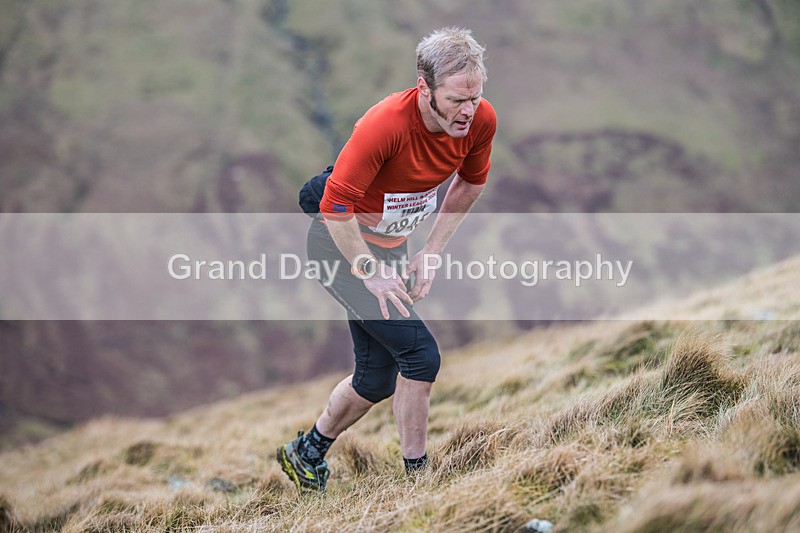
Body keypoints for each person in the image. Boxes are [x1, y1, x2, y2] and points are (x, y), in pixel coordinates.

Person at [277, 27, 496, 491]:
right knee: (421, 356)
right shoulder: (384, 125)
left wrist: (432, 250)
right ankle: (420, 479)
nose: (468, 111)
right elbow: (336, 208)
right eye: (458, 100)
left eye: (475, 97)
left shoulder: (479, 121)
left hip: (391, 247)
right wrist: (369, 271)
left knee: (375, 378)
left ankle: (306, 451)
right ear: (424, 88)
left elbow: (471, 183)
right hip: (337, 244)